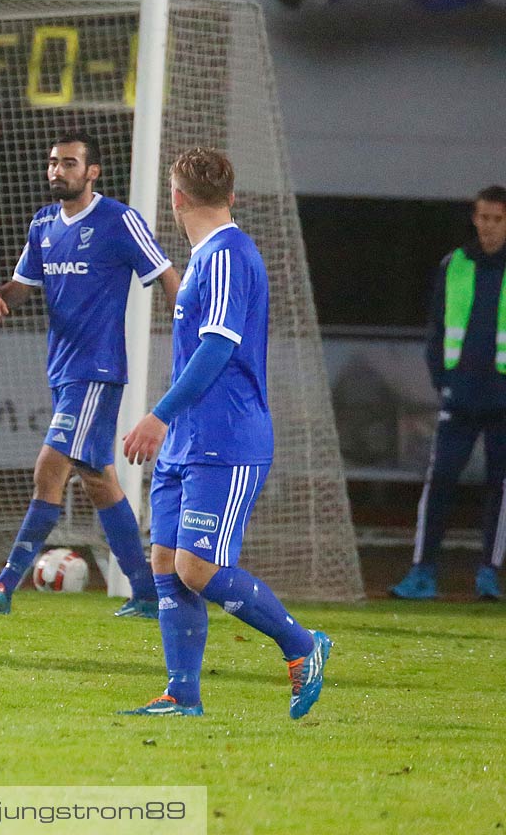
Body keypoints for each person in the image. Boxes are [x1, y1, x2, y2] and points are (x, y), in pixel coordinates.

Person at [119, 148, 331, 719]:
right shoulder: (207, 256)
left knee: (197, 567)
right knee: (165, 562)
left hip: (226, 439)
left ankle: (302, 645)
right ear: (230, 194)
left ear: (176, 197)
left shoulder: (229, 256)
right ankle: (181, 693)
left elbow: (217, 348)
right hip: (189, 439)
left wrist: (158, 414)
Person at [0, 133, 180, 618]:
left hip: (96, 370)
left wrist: (188, 328)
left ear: (92, 172)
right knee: (99, 480)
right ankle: (147, 593)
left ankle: (4, 585)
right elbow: (22, 286)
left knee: (49, 469)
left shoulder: (118, 220)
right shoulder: (43, 224)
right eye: (54, 162)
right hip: (63, 369)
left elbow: (165, 273)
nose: (58, 170)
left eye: (69, 163)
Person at [391, 184, 506, 602]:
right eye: (484, 217)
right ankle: (422, 572)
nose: (489, 226)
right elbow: (437, 330)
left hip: (502, 403)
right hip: (459, 397)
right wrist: (442, 380)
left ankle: (488, 574)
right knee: (439, 483)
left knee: (501, 488)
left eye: (497, 218)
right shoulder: (454, 265)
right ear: (475, 218)